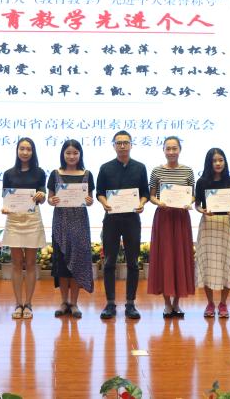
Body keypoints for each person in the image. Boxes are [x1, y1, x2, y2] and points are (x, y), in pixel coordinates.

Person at [96, 130, 150, 320]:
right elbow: (99, 192)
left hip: (132, 220)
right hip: (111, 219)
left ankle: (130, 304)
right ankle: (110, 304)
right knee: (109, 262)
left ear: (131, 145)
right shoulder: (105, 168)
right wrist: (104, 203)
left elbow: (145, 193)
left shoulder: (140, 167)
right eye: (118, 143)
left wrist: (142, 203)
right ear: (114, 146)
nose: (122, 146)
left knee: (133, 263)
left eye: (125, 142)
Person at [146, 136, 195, 318]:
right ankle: (167, 303)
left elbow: (192, 195)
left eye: (175, 148)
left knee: (180, 257)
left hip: (181, 218)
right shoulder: (156, 171)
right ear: (164, 150)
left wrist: (189, 202)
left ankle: (177, 303)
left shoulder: (188, 171)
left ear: (180, 150)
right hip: (164, 218)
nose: (172, 152)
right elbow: (151, 195)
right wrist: (159, 202)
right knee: (165, 258)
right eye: (168, 148)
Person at [47, 139, 95, 318]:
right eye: (68, 153)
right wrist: (52, 200)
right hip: (61, 223)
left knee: (78, 263)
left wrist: (89, 201)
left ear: (80, 154)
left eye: (75, 153)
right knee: (62, 264)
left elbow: (89, 200)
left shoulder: (87, 174)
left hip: (80, 224)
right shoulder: (55, 174)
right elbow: (50, 199)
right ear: (63, 154)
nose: (72, 156)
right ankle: (63, 302)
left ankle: (74, 303)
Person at [1, 137, 47, 319]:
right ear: (17, 150)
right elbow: (6, 198)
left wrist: (42, 195)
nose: (25, 152)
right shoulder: (8, 173)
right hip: (14, 220)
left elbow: (43, 196)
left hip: (32, 220)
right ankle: (18, 303)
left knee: (30, 263)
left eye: (28, 149)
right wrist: (5, 208)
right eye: (22, 148)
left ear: (33, 152)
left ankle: (28, 303)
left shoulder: (40, 172)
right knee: (16, 263)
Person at [194, 148, 230, 318]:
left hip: (225, 225)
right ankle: (210, 303)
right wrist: (202, 210)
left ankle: (223, 304)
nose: (218, 163)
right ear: (209, 163)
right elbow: (197, 205)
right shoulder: (202, 182)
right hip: (208, 225)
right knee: (207, 264)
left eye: (221, 160)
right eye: (214, 161)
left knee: (227, 263)